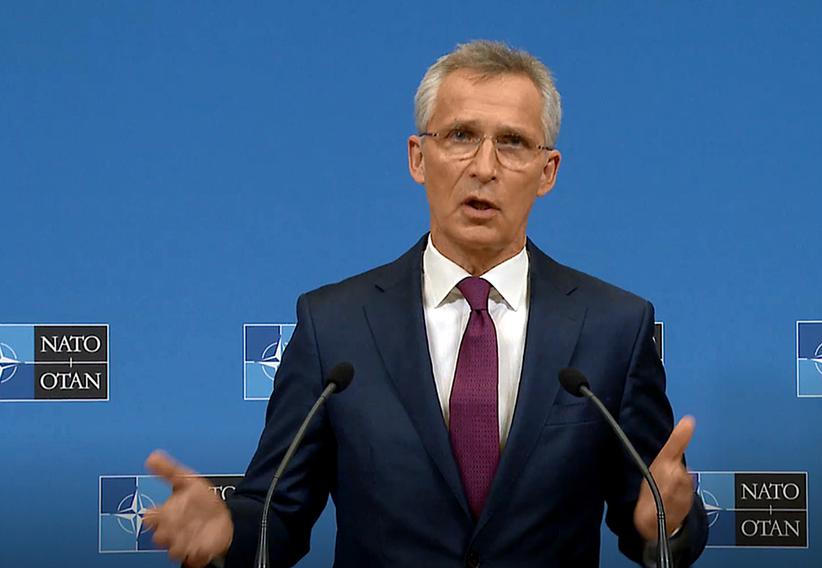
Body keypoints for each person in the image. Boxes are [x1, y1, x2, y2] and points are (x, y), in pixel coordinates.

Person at [144, 40, 708, 567]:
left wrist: (668, 522)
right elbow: (276, 515)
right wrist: (227, 536)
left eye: (512, 142)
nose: (484, 167)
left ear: (547, 172)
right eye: (461, 135)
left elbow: (657, 520)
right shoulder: (335, 325)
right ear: (418, 158)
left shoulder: (614, 326)